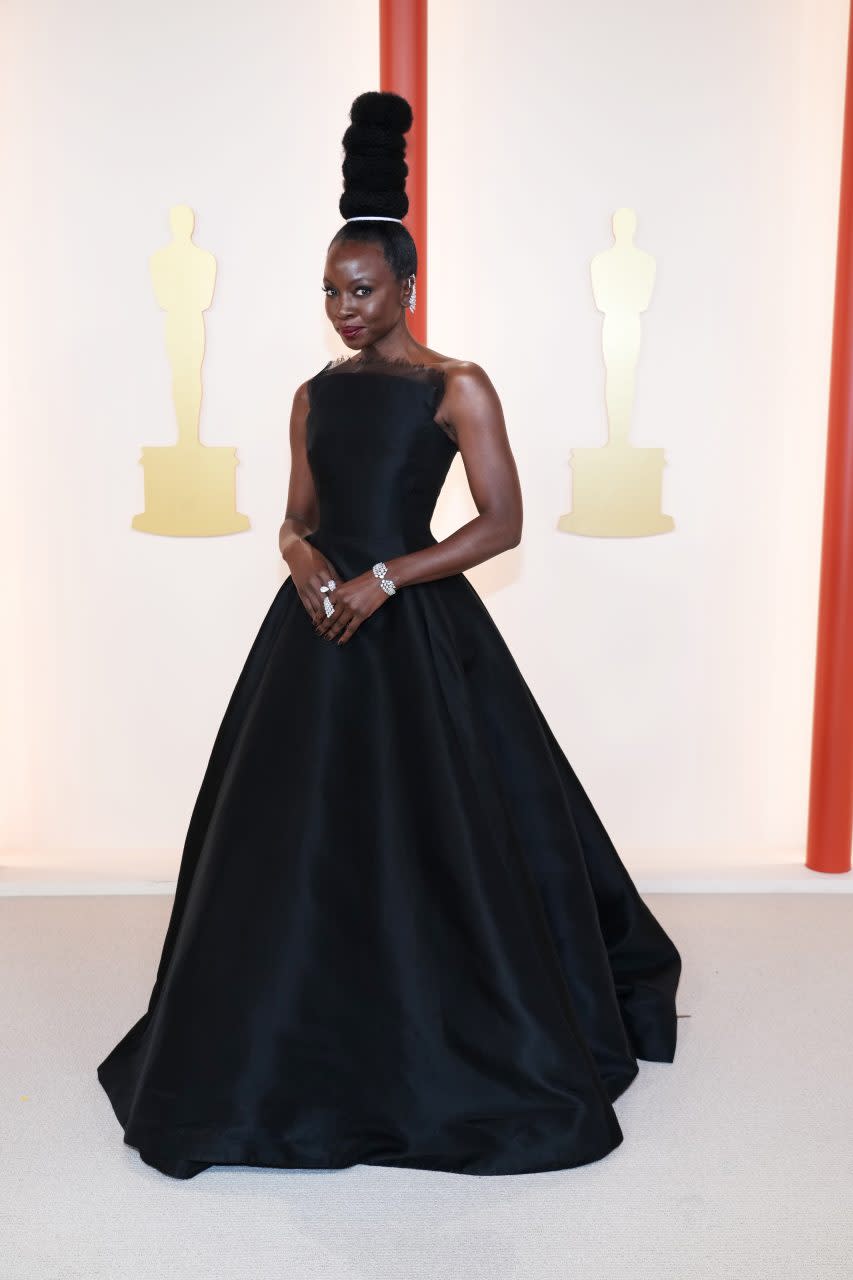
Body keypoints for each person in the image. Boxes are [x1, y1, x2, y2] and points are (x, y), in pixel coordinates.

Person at [97, 90, 682, 1180]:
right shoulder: (312, 393)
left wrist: (382, 578)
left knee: (449, 834)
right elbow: (295, 510)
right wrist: (300, 557)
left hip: (413, 627)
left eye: (361, 288)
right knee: (283, 844)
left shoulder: (454, 385)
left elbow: (499, 523)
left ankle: (442, 1032)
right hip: (313, 631)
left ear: (407, 287)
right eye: (328, 289)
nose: (342, 307)